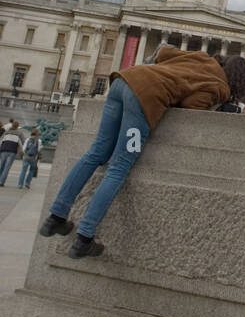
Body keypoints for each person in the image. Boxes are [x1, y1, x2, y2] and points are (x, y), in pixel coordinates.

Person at [39, 45, 230, 259]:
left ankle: (56, 216)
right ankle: (84, 238)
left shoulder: (198, 56)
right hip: (143, 100)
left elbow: (163, 52)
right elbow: (192, 106)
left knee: (96, 153)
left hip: (123, 81)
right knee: (119, 166)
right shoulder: (219, 84)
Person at [0, 120, 24, 186]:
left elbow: (2, 141)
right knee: (7, 167)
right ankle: (1, 182)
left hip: (4, 150)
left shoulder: (6, 132)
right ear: (17, 126)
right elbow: (23, 142)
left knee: (1, 166)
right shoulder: (20, 133)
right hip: (12, 151)